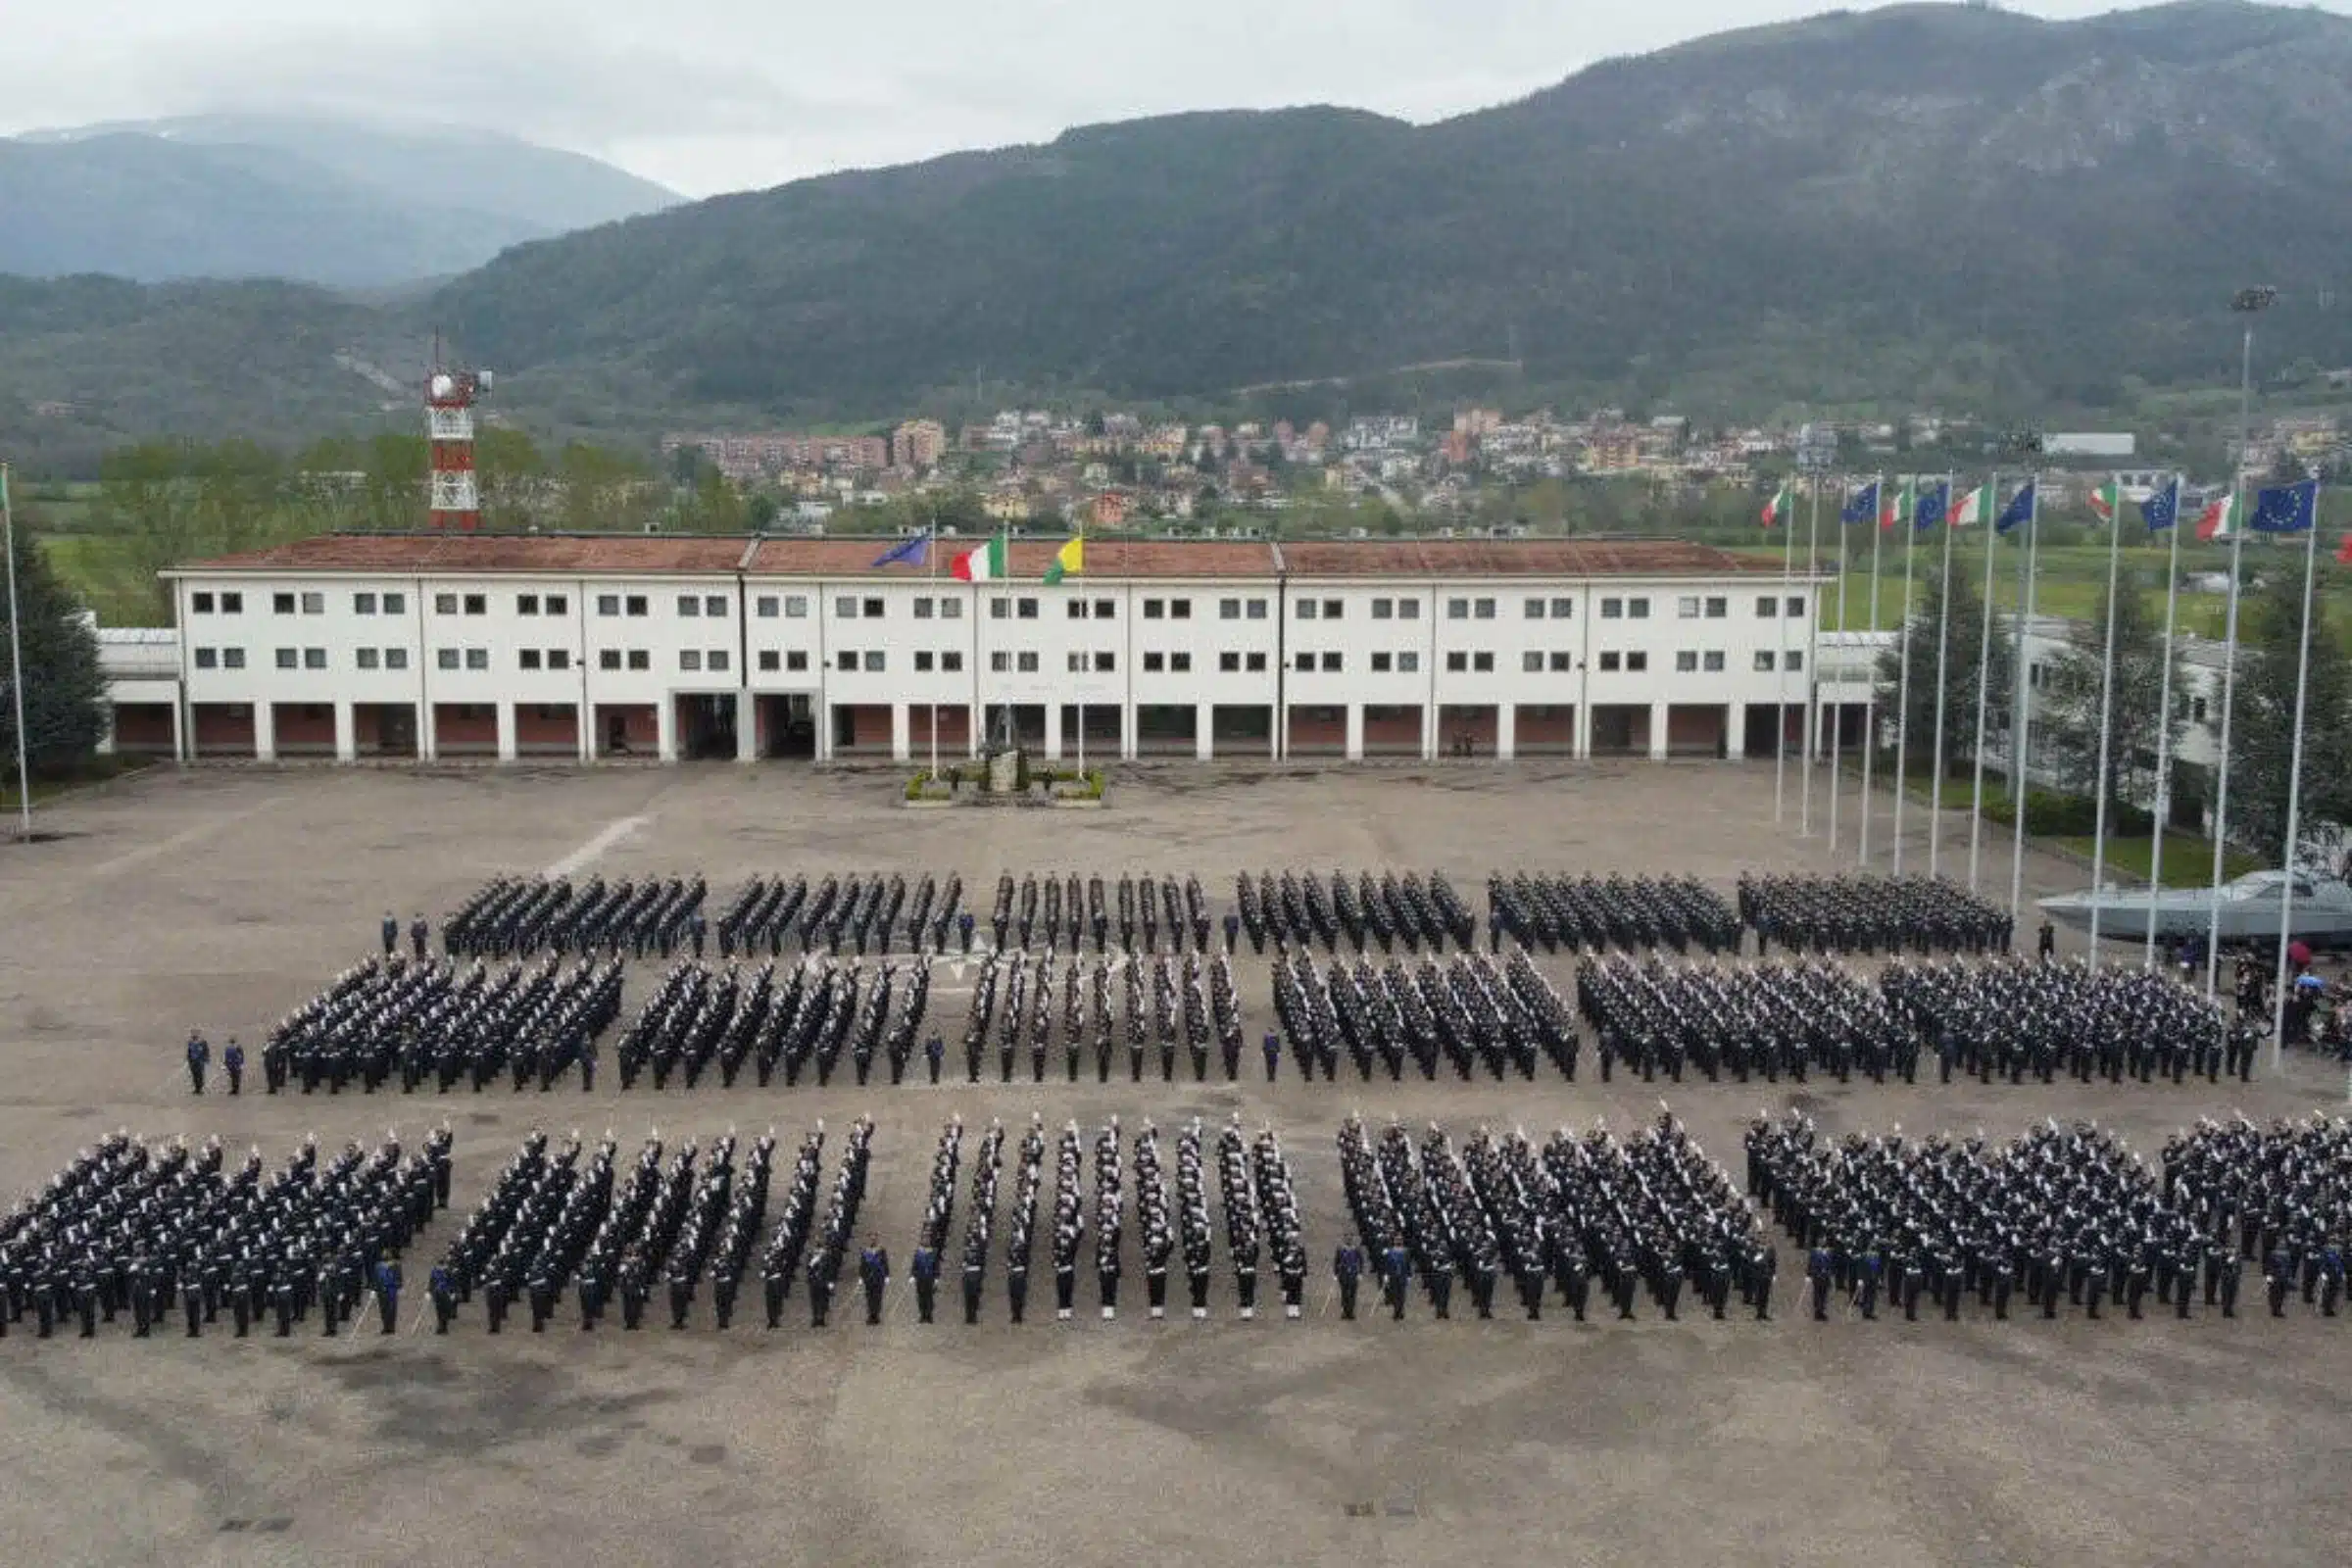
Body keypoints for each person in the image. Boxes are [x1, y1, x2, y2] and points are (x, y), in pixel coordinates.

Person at [1334, 1236, 1363, 1321]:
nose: (1348, 1240)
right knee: (1344, 1293)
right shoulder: (1340, 1249)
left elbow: (1360, 1261)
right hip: (1343, 1273)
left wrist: (1360, 1273)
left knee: (1352, 1293)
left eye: (1350, 1239)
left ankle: (1351, 1311)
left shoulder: (1356, 1249)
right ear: (1344, 1240)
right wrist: (1335, 1273)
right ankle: (1344, 1311)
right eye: (1347, 1239)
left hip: (1353, 1273)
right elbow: (1336, 1261)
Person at [859, 1240, 889, 1325]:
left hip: (878, 1277)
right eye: (870, 1239)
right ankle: (870, 1315)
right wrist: (861, 1276)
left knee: (878, 1297)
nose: (872, 1241)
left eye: (874, 1239)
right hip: (868, 1278)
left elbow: (885, 1263)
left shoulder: (881, 1251)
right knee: (869, 1297)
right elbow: (862, 1265)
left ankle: (876, 1315)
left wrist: (887, 1275)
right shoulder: (865, 1252)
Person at [373, 1257, 402, 1335]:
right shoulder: (378, 1267)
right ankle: (386, 1326)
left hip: (391, 1290)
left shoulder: (396, 1266)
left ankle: (391, 1327)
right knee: (383, 1309)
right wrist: (374, 1289)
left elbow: (399, 1277)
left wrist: (399, 1287)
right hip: (381, 1290)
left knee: (392, 1309)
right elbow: (376, 1279)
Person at [185, 1031, 210, 1095]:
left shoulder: (203, 1043)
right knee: (195, 1075)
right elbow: (189, 1052)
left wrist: (206, 1058)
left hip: (199, 1062)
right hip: (193, 1062)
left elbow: (206, 1051)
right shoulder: (190, 1043)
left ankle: (200, 1088)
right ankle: (196, 1088)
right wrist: (189, 1059)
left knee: (200, 1075)